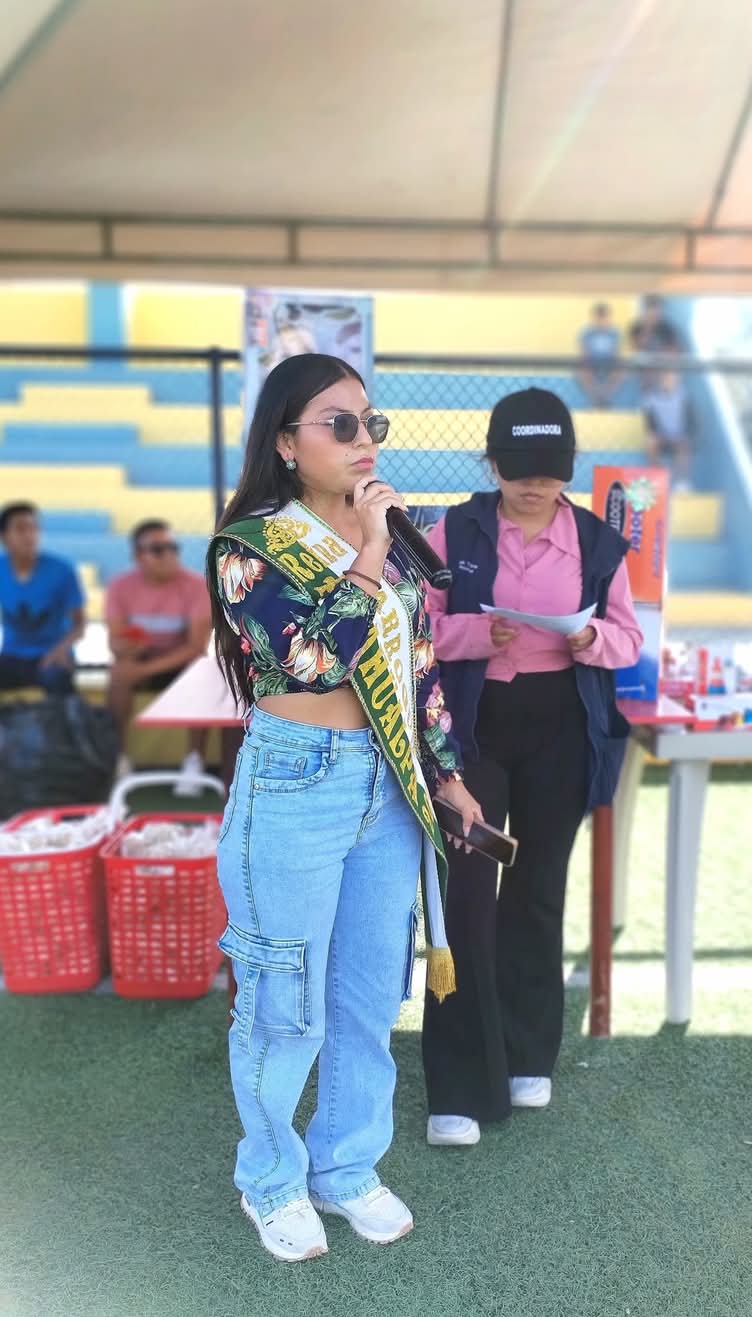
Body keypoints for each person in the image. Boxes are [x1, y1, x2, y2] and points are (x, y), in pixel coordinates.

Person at [207, 352, 482, 1263]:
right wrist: (368, 547)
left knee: (366, 997)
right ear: (287, 443)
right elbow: (313, 659)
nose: (365, 440)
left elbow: (416, 662)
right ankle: (270, 1180)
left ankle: (346, 1165)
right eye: (341, 424)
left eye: (372, 423)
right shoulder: (248, 546)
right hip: (296, 783)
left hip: (386, 784)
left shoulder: (389, 536)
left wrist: (444, 772)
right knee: (285, 1004)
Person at [421, 387, 643, 1147]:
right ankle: (458, 1083)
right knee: (466, 897)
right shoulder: (453, 530)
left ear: (568, 469)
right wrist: (475, 634)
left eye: (549, 471)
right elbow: (416, 627)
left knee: (539, 891)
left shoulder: (597, 543)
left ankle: (527, 1052)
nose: (533, 484)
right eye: (518, 469)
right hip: (473, 733)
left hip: (561, 730)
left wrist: (592, 642)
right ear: (492, 464)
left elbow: (628, 638)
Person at [105, 519, 212, 789]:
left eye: (173, 547)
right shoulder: (120, 586)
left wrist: (142, 670)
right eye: (158, 549)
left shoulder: (196, 586)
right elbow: (115, 641)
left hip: (180, 660)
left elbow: (196, 647)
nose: (168, 555)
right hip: (142, 658)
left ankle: (194, 762)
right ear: (138, 556)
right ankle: (119, 758)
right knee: (119, 672)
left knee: (200, 670)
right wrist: (126, 648)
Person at [0, 501, 85, 696]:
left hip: (53, 655)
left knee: (57, 681)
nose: (29, 535)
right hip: (11, 655)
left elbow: (79, 624)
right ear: (4, 536)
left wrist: (61, 650)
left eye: (34, 528)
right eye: (21, 529)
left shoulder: (62, 570)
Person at [642, 369, 695, 491]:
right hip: (662, 436)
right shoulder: (651, 399)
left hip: (679, 436)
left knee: (684, 444)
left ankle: (680, 481)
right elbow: (649, 424)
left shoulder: (685, 398)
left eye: (671, 379)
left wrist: (685, 435)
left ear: (677, 381)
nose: (667, 381)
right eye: (665, 379)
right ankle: (657, 478)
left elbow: (692, 423)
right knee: (650, 441)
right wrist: (657, 434)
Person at [575, 301, 623, 407]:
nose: (601, 320)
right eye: (598, 317)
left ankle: (606, 396)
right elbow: (584, 353)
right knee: (581, 370)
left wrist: (611, 364)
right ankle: (595, 398)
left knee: (620, 370)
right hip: (592, 363)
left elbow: (615, 353)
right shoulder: (586, 333)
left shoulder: (614, 333)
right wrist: (589, 364)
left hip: (608, 363)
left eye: (603, 317)